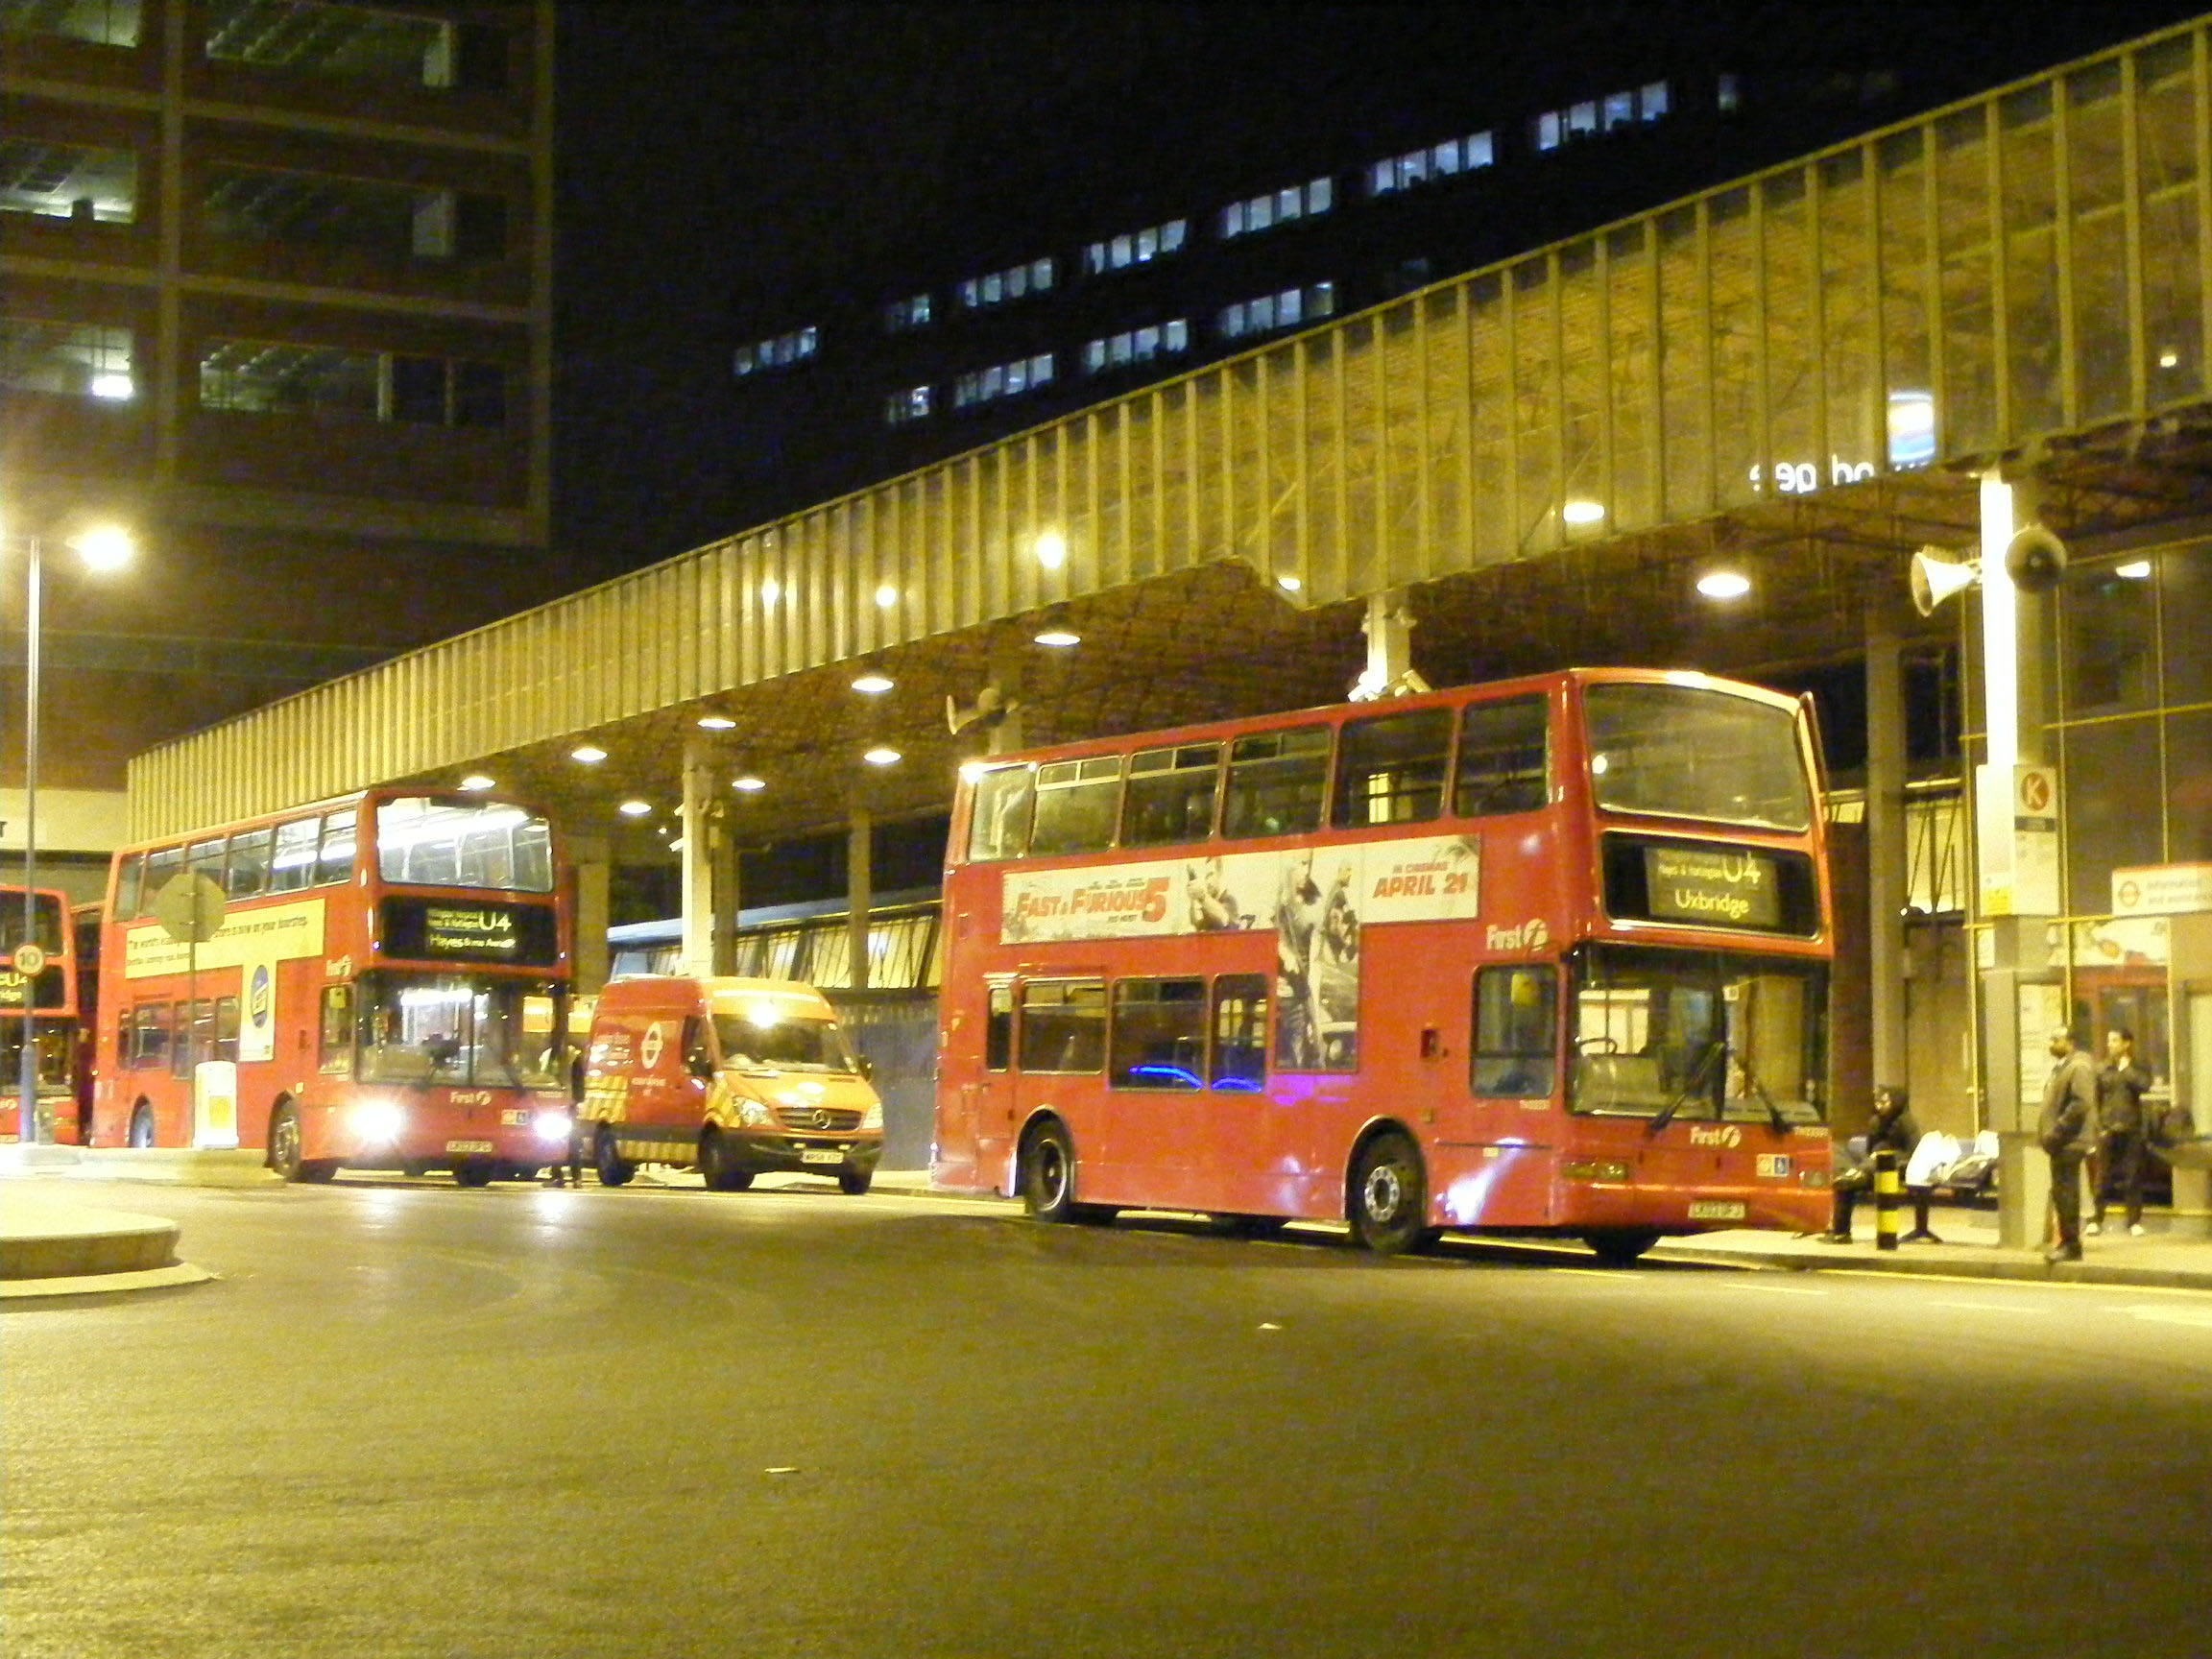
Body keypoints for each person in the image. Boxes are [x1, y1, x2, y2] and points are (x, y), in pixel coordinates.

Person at [1821, 1084, 1919, 1243]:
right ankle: (1841, 1233)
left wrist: (1883, 1157)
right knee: (1843, 1179)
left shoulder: (1905, 1122)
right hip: (1873, 1167)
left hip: (1896, 1168)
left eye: (1884, 1102)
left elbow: (1913, 1152)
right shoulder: (1876, 1122)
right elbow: (1869, 1150)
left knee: (1880, 1153)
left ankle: (1855, 1174)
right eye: (1877, 1102)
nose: (1879, 1106)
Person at [2038, 1025, 2098, 1264]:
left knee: (2067, 1193)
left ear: (2070, 1042)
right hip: (2062, 1141)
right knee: (2062, 1193)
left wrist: (2057, 1132)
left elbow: (2081, 1103)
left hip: (2069, 1141)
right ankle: (2067, 1242)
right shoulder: (2063, 1067)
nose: (2052, 1044)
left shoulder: (2078, 1066)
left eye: (2057, 1040)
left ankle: (2071, 1245)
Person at [2089, 1026, 2153, 1237]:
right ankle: (2096, 1219)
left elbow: (2144, 1086)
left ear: (2126, 1043)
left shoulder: (2138, 1067)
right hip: (2107, 1129)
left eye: (2115, 1040)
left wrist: (2126, 1071)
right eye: (2109, 1040)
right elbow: (2095, 1099)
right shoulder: (2102, 1069)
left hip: (2131, 1128)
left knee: (2132, 1176)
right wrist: (2098, 1126)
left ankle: (2133, 1221)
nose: (2110, 1044)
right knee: (2102, 1176)